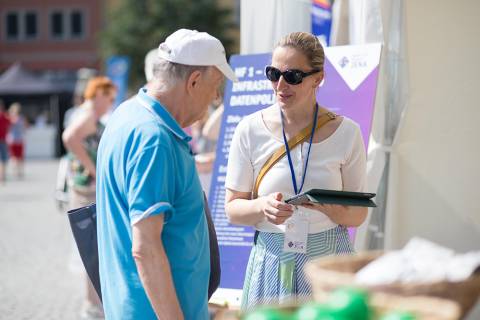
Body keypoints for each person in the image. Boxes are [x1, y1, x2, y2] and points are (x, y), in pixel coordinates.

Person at [95, 29, 237, 320]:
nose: (215, 98)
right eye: (215, 88)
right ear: (194, 81)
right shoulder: (153, 138)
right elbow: (146, 247)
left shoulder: (128, 114)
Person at [224, 31, 368, 310]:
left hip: (328, 262)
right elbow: (232, 209)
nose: (280, 84)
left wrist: (325, 206)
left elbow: (358, 214)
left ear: (318, 78)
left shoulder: (347, 132)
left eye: (292, 76)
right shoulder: (249, 129)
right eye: (273, 73)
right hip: (271, 259)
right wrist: (262, 207)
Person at [62, 76, 117, 319]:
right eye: (109, 97)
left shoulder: (88, 114)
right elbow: (69, 139)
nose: (111, 103)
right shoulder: (87, 115)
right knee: (91, 246)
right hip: (86, 190)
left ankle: (94, 302)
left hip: (84, 188)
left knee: (92, 246)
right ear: (98, 95)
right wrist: (93, 169)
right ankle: (91, 304)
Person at [7, 102, 27, 178]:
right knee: (18, 157)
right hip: (18, 139)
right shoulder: (21, 118)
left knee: (15, 157)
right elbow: (25, 127)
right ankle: (19, 172)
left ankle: (16, 172)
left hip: (13, 140)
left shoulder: (10, 118)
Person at [0, 100, 10, 184]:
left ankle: (2, 176)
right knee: (3, 160)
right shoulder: (4, 116)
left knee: (3, 159)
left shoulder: (4, 116)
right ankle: (2, 176)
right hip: (2, 140)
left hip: (3, 140)